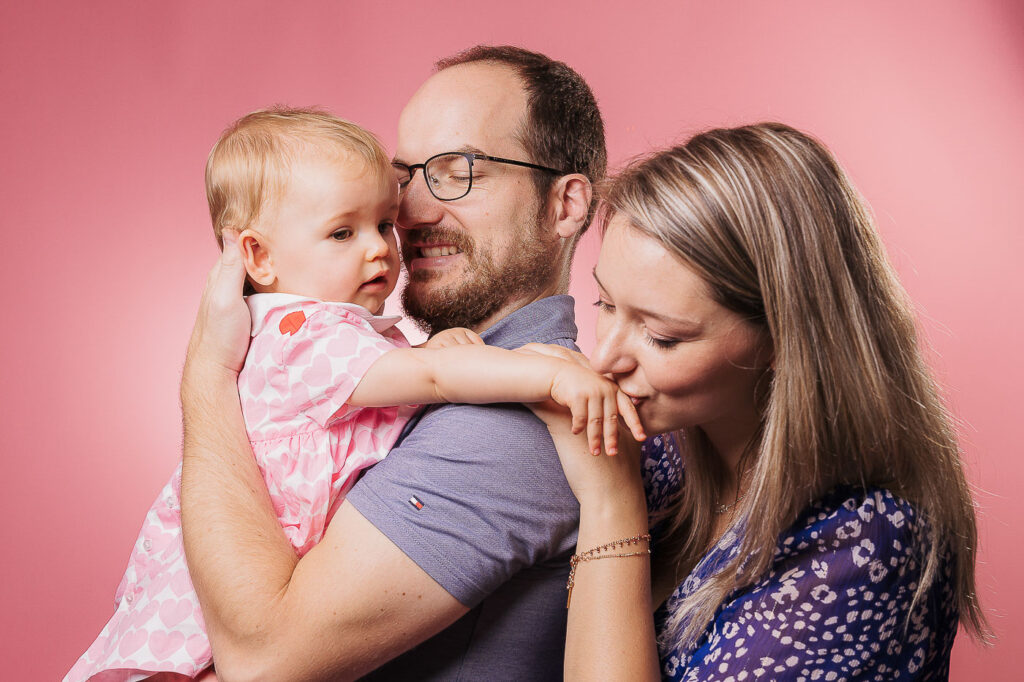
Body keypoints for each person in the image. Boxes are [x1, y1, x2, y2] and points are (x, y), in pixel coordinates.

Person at [66, 108, 634, 682]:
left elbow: (265, 660)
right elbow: (430, 380)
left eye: (457, 170)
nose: (399, 231)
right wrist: (541, 374)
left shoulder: (499, 428)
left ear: (566, 202)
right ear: (258, 257)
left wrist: (209, 369)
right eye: (408, 174)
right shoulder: (304, 334)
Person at [538, 122, 989, 680]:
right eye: (605, 302)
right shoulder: (672, 440)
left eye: (663, 338)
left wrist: (611, 503)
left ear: (782, 339)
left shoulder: (868, 547)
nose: (604, 359)